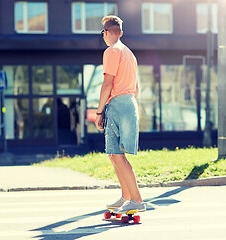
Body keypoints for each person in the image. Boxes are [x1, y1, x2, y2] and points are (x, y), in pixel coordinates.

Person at [95, 15, 146, 214]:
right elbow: (137, 87)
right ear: (121, 33)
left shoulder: (111, 51)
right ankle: (126, 196)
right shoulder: (129, 54)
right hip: (130, 103)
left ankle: (137, 199)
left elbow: (107, 83)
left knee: (116, 154)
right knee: (115, 155)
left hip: (117, 104)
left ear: (106, 33)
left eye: (103, 33)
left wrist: (99, 112)